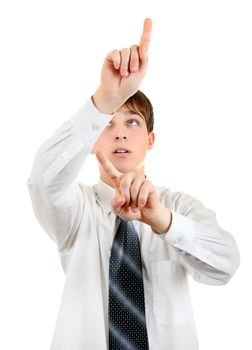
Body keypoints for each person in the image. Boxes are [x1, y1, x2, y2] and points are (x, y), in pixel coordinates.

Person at [27, 18, 240, 350]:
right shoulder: (77, 210)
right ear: (93, 139)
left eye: (132, 122)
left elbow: (226, 265)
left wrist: (164, 223)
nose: (120, 132)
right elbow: (42, 181)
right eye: (108, 124)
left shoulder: (179, 208)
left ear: (150, 139)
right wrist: (101, 102)